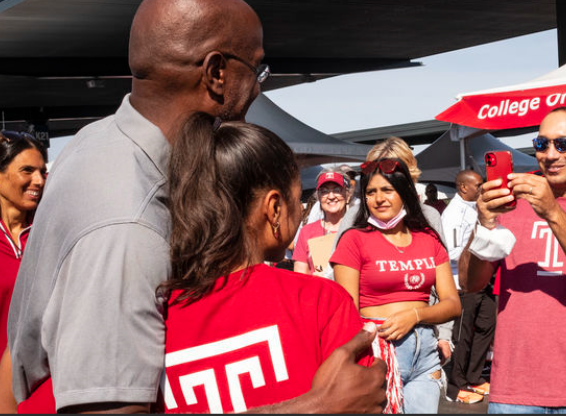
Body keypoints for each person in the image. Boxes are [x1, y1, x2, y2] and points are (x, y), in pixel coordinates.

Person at [6, 0, 386, 413]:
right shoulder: (129, 222)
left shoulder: (95, 143)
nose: (258, 88)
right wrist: (313, 409)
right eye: (256, 69)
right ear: (216, 73)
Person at [160, 114, 383, 413]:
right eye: (296, 200)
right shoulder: (320, 302)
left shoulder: (151, 315)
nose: (300, 209)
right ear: (274, 208)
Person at [461, 107, 566, 414]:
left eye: (564, 144)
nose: (551, 154)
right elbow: (470, 283)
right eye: (542, 144)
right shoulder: (512, 204)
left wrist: (553, 212)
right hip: (515, 388)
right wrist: (483, 226)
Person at [331, 158, 461, 413]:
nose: (379, 199)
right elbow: (346, 313)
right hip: (380, 349)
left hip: (425, 354)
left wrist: (414, 316)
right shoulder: (353, 240)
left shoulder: (428, 238)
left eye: (387, 190)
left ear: (404, 192)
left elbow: (453, 305)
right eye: (371, 192)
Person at [335, 136, 454, 368]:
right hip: (377, 336)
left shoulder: (429, 217)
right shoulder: (354, 218)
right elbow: (341, 284)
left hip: (423, 332)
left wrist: (444, 335)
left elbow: (442, 285)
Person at [0, 131, 48, 413]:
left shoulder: (48, 230)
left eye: (42, 171)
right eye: (27, 171)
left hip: (40, 388)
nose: (39, 181)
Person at [441, 170, 491, 404]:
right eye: (479, 185)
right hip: (462, 282)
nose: (482, 189)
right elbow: (450, 251)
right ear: (463, 188)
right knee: (464, 335)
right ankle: (457, 385)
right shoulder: (453, 214)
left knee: (486, 325)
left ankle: (475, 376)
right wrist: (479, 248)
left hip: (482, 280)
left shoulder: (475, 207)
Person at [293, 168, 350, 276]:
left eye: (337, 190)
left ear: (347, 194)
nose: (331, 196)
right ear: (318, 196)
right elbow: (300, 276)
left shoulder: (357, 228)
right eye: (324, 191)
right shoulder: (307, 232)